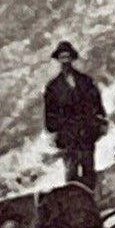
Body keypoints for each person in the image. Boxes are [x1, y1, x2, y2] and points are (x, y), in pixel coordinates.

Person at [43, 41, 107, 191]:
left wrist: (101, 121)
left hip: (86, 131)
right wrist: (54, 132)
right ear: (58, 60)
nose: (65, 61)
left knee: (88, 168)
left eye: (67, 57)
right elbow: (49, 114)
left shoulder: (85, 81)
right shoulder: (52, 87)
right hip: (68, 135)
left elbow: (97, 102)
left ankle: (90, 199)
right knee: (71, 173)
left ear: (72, 58)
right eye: (62, 58)